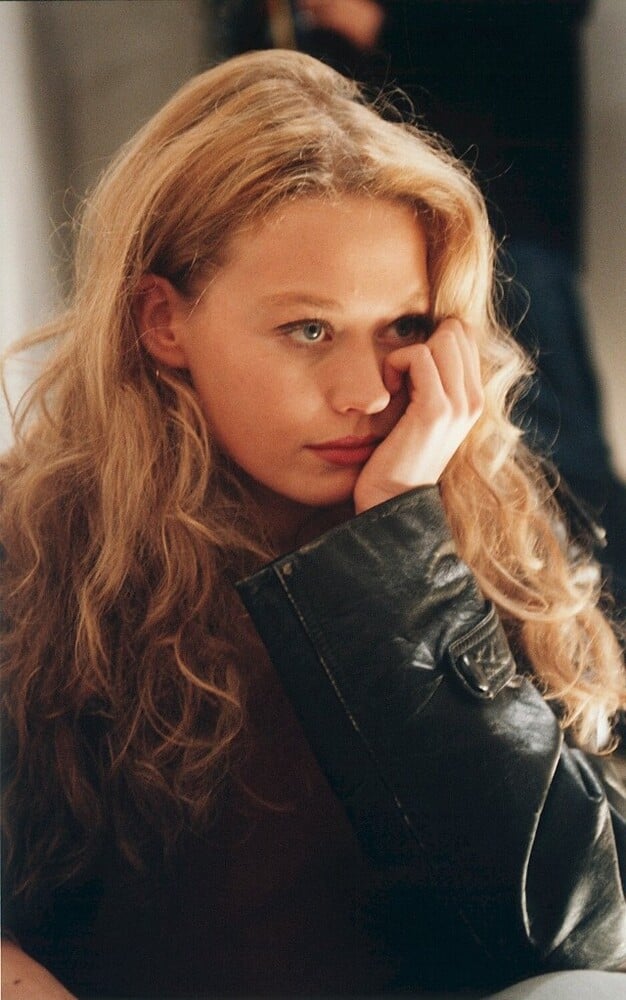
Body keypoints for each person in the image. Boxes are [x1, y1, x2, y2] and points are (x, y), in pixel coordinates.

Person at [1, 49, 625, 1000]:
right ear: (162, 322)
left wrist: (400, 547)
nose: (367, 392)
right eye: (309, 330)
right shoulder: (30, 546)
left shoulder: (482, 528)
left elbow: (591, 926)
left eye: (403, 328)